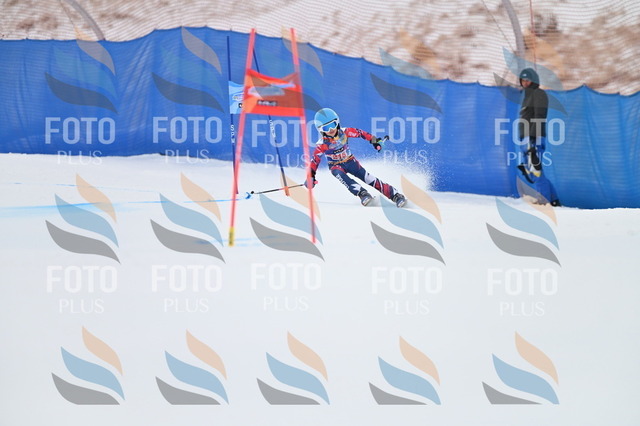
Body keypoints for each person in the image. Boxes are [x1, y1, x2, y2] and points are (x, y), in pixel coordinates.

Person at [306, 108, 406, 207]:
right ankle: (363, 194)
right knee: (341, 176)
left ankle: (395, 195)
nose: (330, 130)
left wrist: (375, 141)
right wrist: (311, 177)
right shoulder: (321, 144)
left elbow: (361, 133)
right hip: (335, 166)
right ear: (320, 130)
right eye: (325, 128)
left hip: (350, 162)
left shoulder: (345, 132)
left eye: (332, 125)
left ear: (337, 122)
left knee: (368, 178)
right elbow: (314, 161)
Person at [516, 68, 560, 206]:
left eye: (528, 80)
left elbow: (539, 116)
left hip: (533, 138)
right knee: (533, 171)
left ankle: (544, 200)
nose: (525, 82)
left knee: (536, 170)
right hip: (526, 138)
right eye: (523, 80)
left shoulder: (538, 93)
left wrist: (533, 140)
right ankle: (553, 200)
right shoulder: (527, 96)